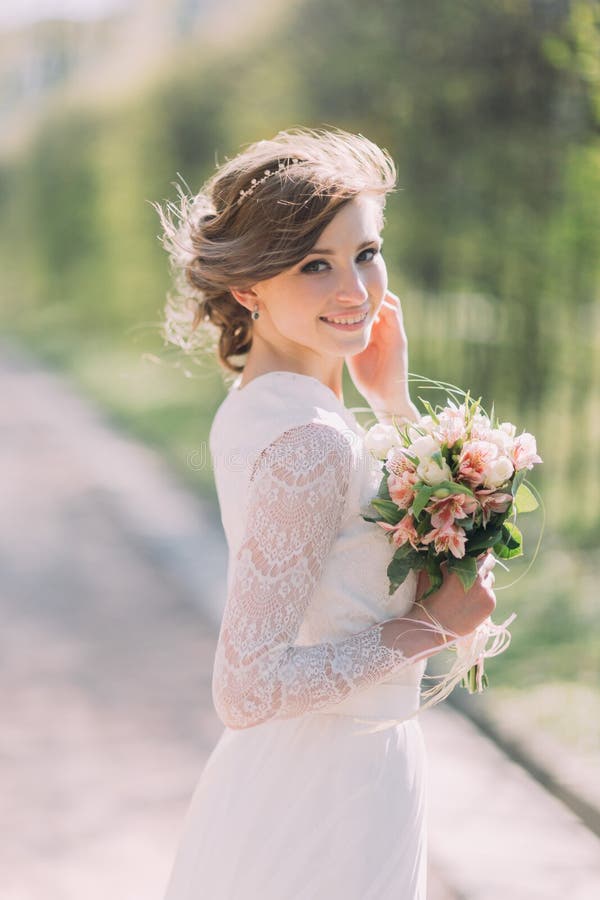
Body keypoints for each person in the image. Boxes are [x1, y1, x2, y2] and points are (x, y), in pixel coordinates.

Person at [153, 126, 496, 900]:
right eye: (316, 266)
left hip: (313, 775)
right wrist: (432, 628)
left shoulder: (265, 404)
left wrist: (392, 402)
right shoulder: (309, 441)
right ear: (248, 289)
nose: (356, 291)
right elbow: (246, 688)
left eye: (365, 254)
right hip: (330, 800)